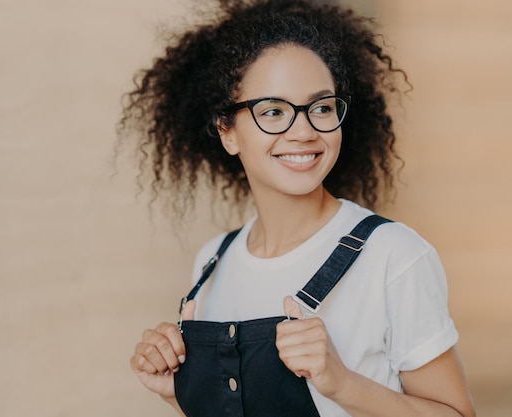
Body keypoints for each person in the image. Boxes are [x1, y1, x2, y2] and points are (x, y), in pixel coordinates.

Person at [118, 0, 476, 416]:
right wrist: (178, 392)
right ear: (227, 132)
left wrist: (343, 384)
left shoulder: (393, 256)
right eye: (273, 111)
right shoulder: (212, 265)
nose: (304, 131)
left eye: (321, 107)